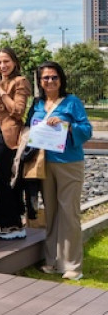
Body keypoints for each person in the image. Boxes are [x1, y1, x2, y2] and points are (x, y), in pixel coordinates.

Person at [30, 62, 92, 280]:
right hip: (45, 163)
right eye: (45, 78)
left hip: (69, 163)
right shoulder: (37, 104)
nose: (50, 81)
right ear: (39, 81)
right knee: (52, 212)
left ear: (61, 79)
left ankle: (73, 265)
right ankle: (51, 261)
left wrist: (67, 126)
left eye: (54, 77)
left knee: (69, 214)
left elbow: (87, 130)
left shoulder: (72, 102)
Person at [0, 47, 31, 240]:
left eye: (6, 62)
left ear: (15, 63)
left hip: (5, 133)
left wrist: (1, 92)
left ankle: (14, 225)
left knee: (3, 178)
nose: (2, 66)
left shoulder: (20, 82)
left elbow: (18, 111)